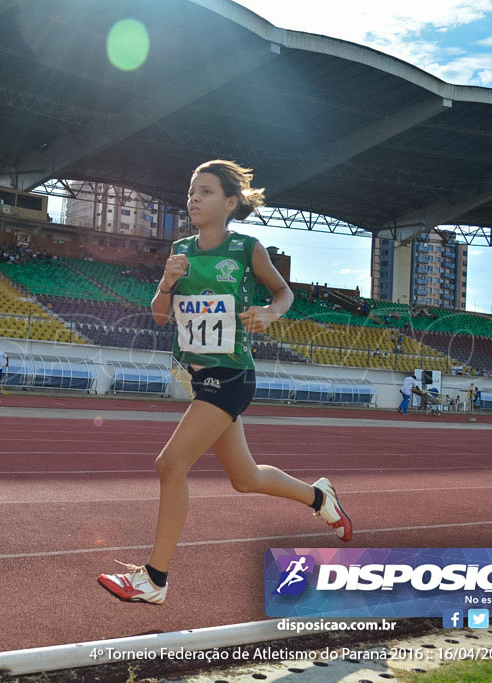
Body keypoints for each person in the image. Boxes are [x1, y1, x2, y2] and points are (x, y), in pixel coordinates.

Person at [96, 160, 351, 606]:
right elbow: (159, 316)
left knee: (169, 464)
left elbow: (283, 292)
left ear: (230, 202)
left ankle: (154, 579)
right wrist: (167, 282)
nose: (194, 198)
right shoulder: (180, 251)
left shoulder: (247, 249)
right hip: (199, 376)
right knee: (245, 478)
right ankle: (318, 496)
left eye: (206, 191)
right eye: (192, 190)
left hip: (232, 374)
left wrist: (270, 313)